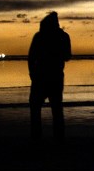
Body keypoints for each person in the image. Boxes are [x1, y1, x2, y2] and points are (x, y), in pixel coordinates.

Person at [28, 11, 72, 141]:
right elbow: (68, 56)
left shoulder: (40, 36)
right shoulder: (62, 36)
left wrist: (32, 73)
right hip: (52, 77)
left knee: (37, 108)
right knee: (56, 108)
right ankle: (57, 138)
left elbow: (31, 57)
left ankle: (37, 137)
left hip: (43, 77)